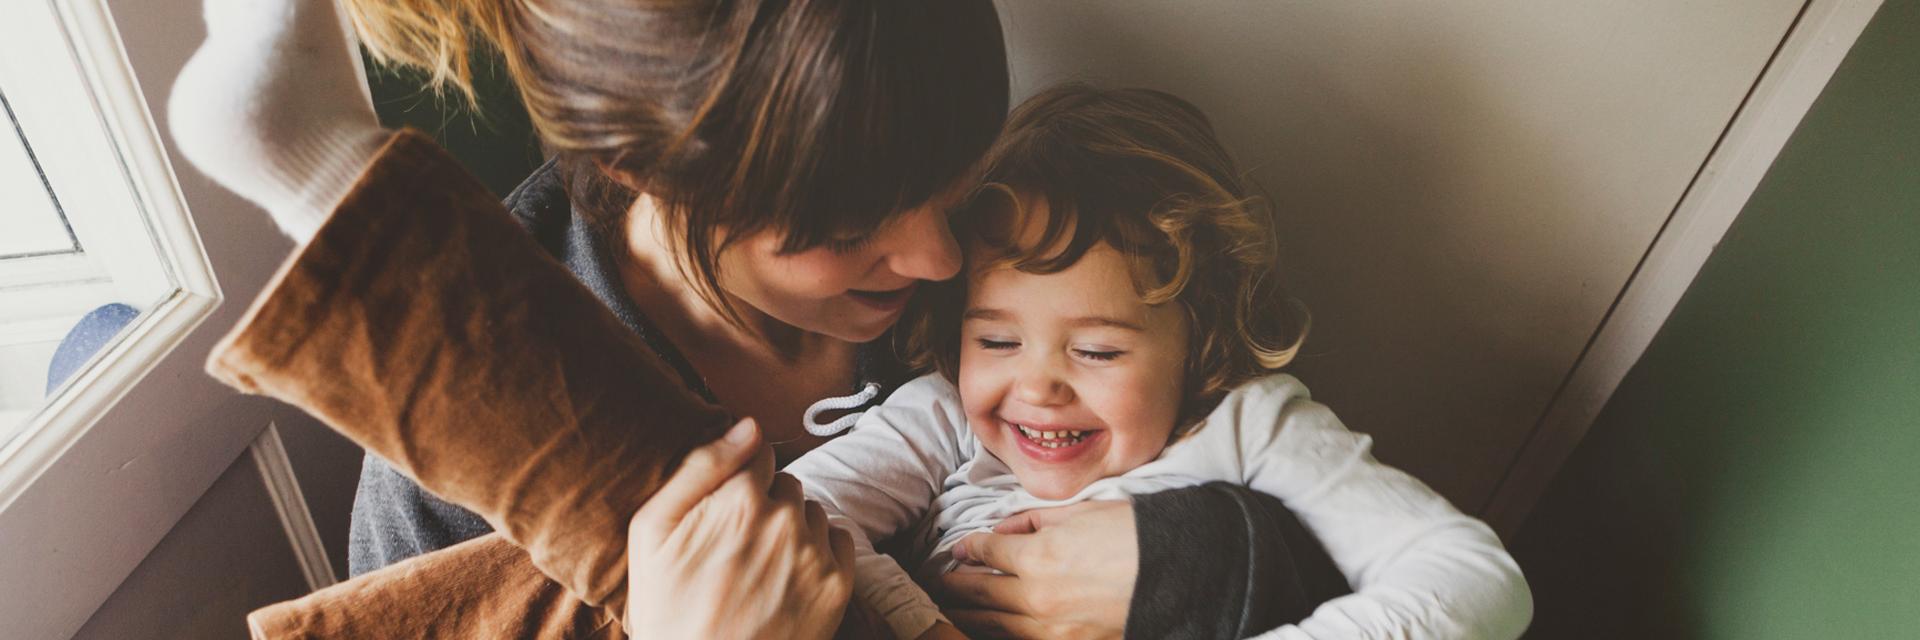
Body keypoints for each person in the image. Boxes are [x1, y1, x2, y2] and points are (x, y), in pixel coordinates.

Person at [168, 0, 1357, 637]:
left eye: (951, 177)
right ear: (642, 173)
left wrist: (1191, 564)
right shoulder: (442, 470)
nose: (940, 255)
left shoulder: (1011, 246)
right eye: (849, 222)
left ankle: (324, 173)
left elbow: (1329, 514)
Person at [783, 84, 1534, 640]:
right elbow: (798, 507)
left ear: (1200, 335)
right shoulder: (946, 415)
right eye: (998, 341)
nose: (1038, 385)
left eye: (1097, 350)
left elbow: (1476, 580)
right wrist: (920, 626)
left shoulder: (1251, 424)